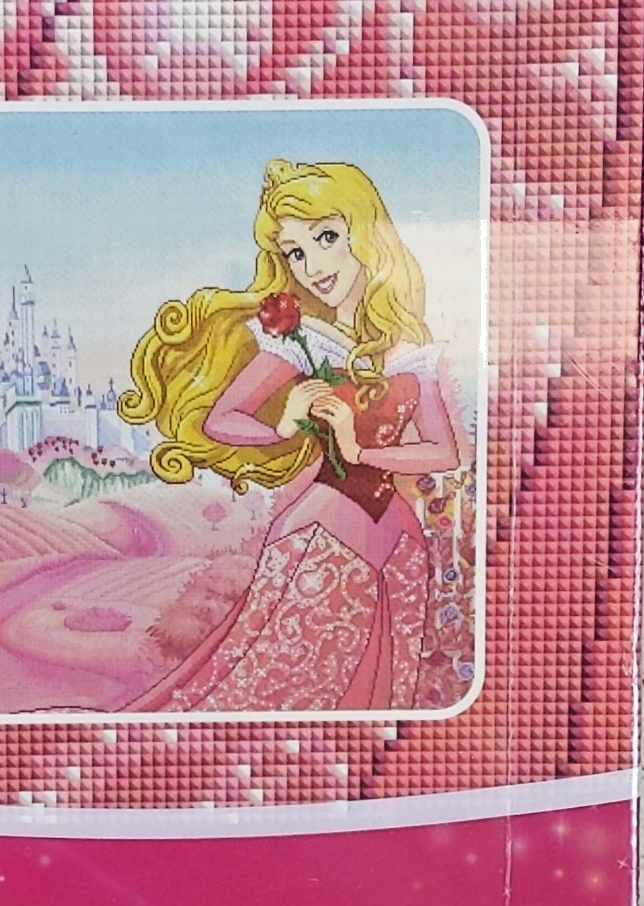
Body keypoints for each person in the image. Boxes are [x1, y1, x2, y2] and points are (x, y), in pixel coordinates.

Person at [118, 158, 470, 713]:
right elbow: (220, 418)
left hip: (398, 538)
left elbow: (445, 451)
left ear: (365, 231)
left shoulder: (411, 349)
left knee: (386, 684)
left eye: (325, 238)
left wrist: (359, 448)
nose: (312, 266)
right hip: (324, 527)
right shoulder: (306, 341)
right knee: (296, 676)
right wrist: (284, 423)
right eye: (296, 253)